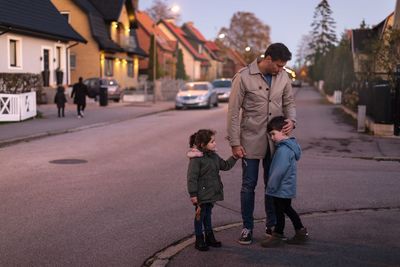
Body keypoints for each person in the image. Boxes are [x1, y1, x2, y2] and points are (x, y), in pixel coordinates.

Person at [227, 43, 296, 245]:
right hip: (249, 141)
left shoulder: (283, 77)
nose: (280, 69)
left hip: (275, 143)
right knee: (248, 185)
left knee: (272, 185)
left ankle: (272, 225)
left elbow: (289, 102)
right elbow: (233, 112)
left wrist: (292, 120)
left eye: (283, 66)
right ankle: (247, 227)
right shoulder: (243, 76)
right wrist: (234, 142)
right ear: (267, 59)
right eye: (278, 65)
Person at [187, 129, 238, 251]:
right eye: (212, 142)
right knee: (200, 216)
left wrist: (235, 157)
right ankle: (199, 239)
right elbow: (191, 178)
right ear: (202, 145)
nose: (215, 143)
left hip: (211, 192)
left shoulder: (214, 156)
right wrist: (193, 194)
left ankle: (209, 237)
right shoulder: (196, 159)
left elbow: (225, 165)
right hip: (201, 194)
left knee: (208, 215)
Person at [261, 116, 308, 247]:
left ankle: (279, 235)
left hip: (280, 188)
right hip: (286, 187)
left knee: (280, 211)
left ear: (283, 131)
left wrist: (270, 187)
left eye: (273, 134)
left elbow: (279, 171)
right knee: (285, 209)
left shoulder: (283, 150)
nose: (272, 137)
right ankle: (298, 232)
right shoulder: (290, 146)